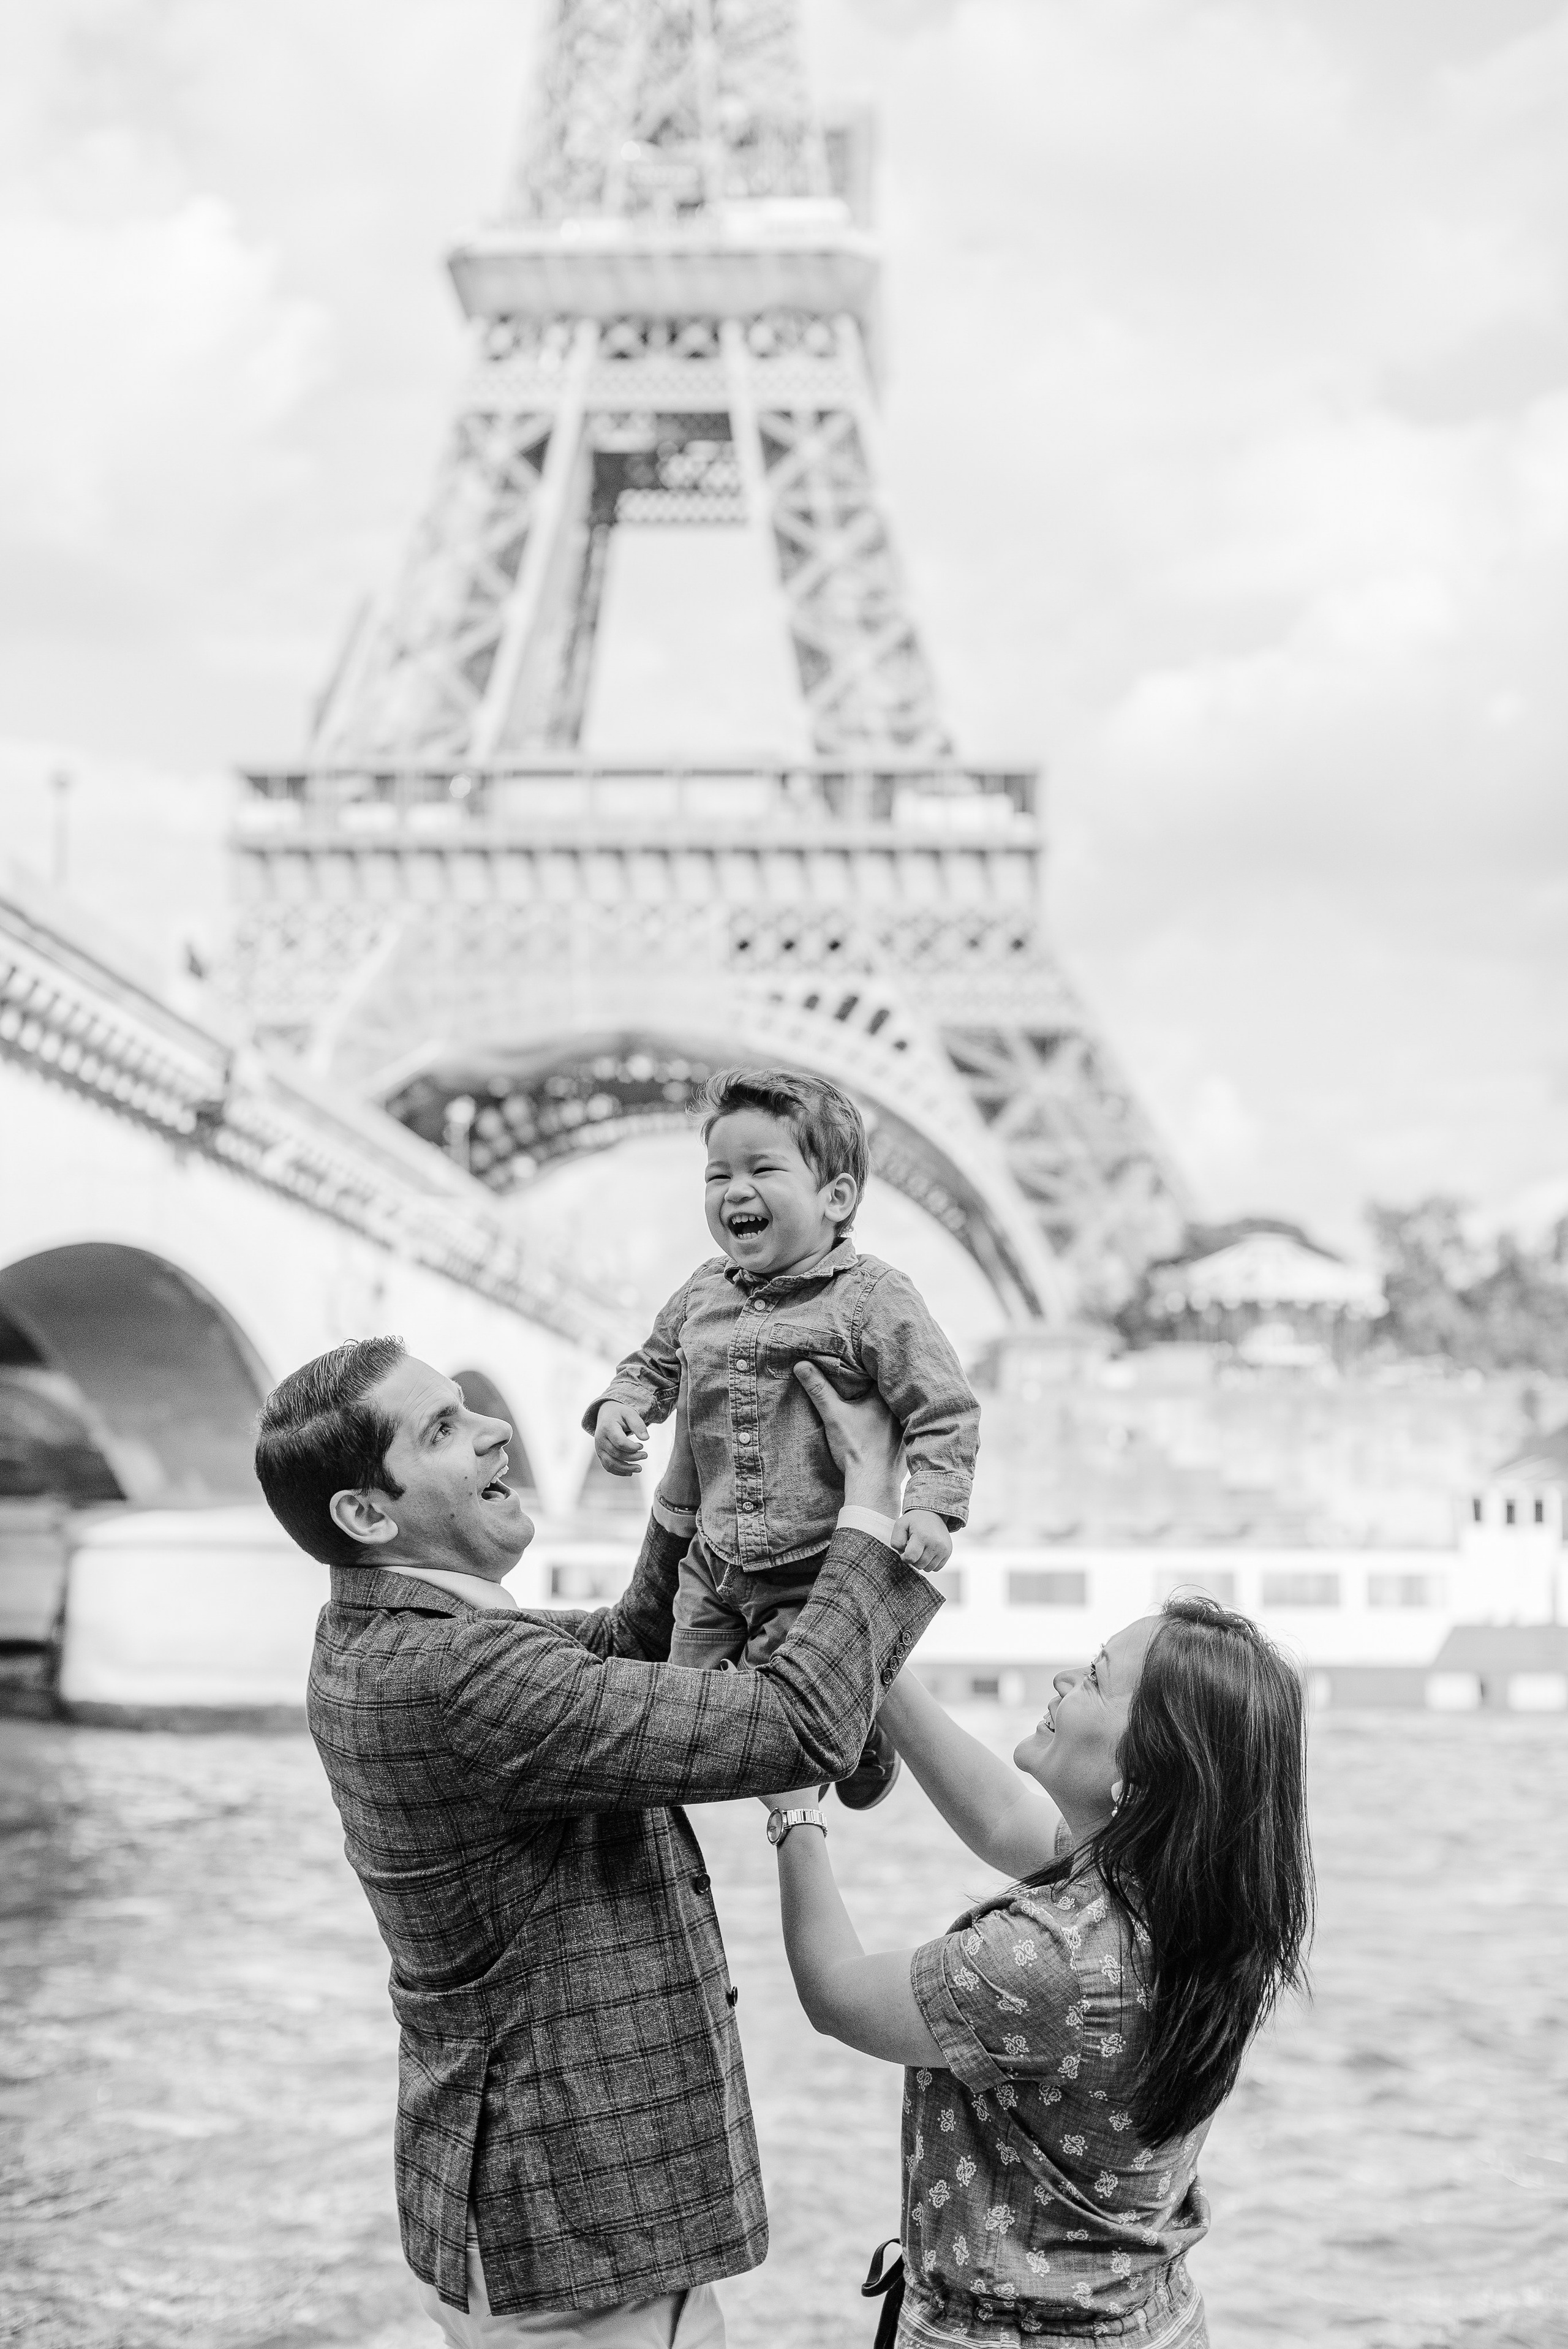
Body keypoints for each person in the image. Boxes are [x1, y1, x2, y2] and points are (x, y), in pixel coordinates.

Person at [252, 1335, 938, 2349]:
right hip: (576, 2230)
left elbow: (631, 1647)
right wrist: (873, 1506)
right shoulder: (455, 1675)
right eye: (443, 1428)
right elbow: (800, 1725)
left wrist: (697, 1461)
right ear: (365, 1512)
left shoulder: (388, 1635)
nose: (493, 1430)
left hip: (531, 2216)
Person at [758, 1490, 1314, 2347]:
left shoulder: (1046, 1961)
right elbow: (1000, 1820)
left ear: (1141, 1782)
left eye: (1093, 1679)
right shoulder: (1178, 1893)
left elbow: (836, 1994)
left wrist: (796, 1812)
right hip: (1143, 2318)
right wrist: (870, 1655)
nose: (1063, 1677)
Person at [585, 1068, 979, 1809]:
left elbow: (942, 1408)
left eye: (762, 1169)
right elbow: (652, 1363)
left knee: (796, 1709)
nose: (734, 1189)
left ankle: (862, 1741)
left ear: (837, 1197)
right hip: (714, 1556)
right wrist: (620, 1406)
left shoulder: (873, 1298)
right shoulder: (703, 1288)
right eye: (718, 1174)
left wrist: (930, 1507)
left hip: (810, 1564)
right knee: (681, 1712)